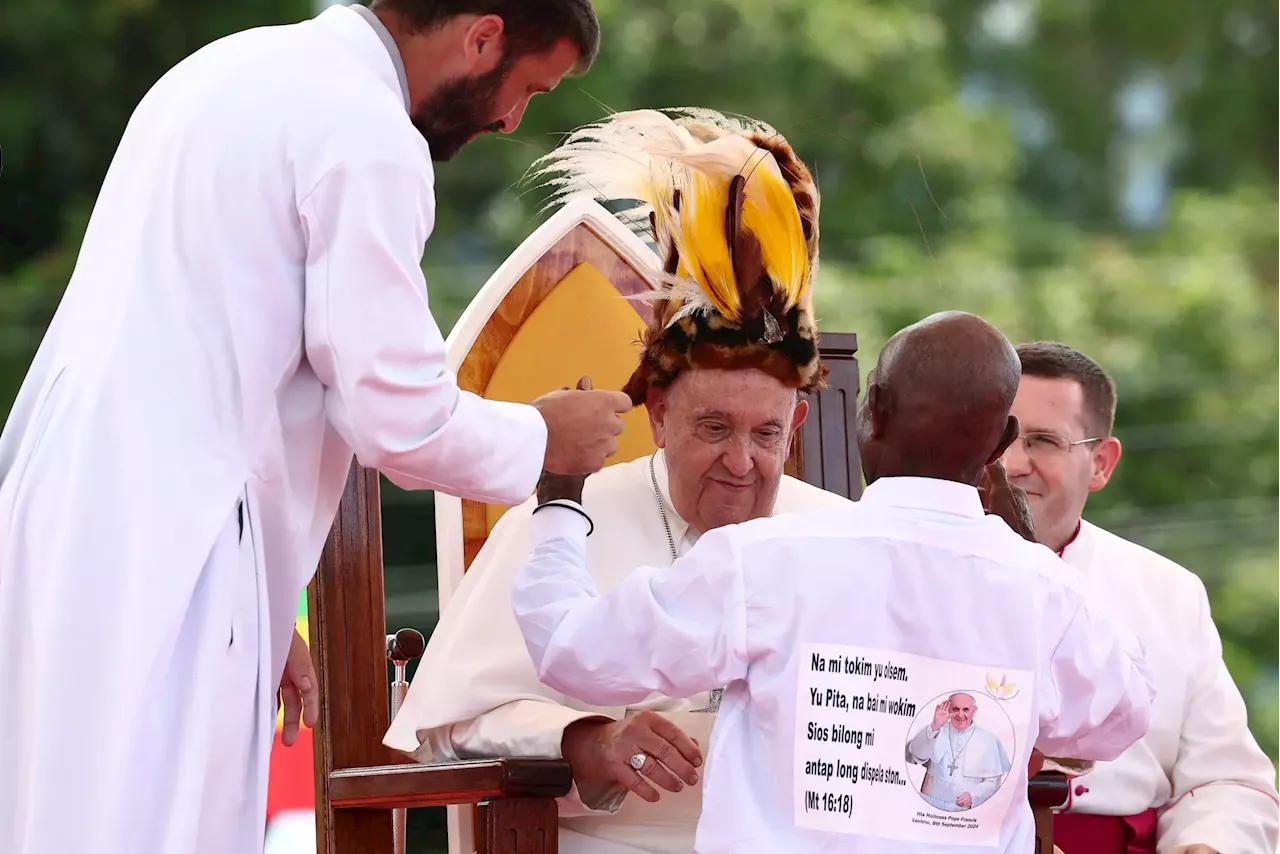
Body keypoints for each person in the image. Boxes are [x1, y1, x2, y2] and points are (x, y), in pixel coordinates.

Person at [0, 2, 633, 853]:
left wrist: (261, 599)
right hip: (176, 537)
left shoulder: (221, 70)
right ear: (481, 36)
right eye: (525, 89)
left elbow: (244, 354)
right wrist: (544, 439)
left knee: (55, 810)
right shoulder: (367, 133)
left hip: (67, 510)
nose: (511, 121)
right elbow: (396, 416)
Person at [383, 107, 854, 854]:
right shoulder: (564, 519)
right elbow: (454, 726)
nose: (741, 460)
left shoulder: (846, 538)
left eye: (766, 434)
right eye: (713, 429)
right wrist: (587, 743)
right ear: (660, 414)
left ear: (795, 428)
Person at [510, 310, 1156, 853]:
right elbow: (1117, 722)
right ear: (1002, 443)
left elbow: (574, 652)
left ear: (868, 413)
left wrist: (563, 494)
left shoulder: (761, 561)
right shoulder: (1047, 592)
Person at [1006, 342, 1280, 854]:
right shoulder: (916, 572)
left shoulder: (1169, 592)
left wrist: (1204, 846)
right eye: (1000, 436)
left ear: (1101, 463)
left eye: (1043, 441)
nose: (1012, 463)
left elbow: (1227, 780)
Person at [906, 693, 1012, 812]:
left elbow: (993, 782)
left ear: (974, 711)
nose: (960, 715)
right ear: (949, 709)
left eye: (965, 709)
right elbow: (915, 755)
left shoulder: (988, 740)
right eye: (955, 709)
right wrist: (935, 726)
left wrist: (973, 795)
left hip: (963, 811)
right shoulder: (935, 730)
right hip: (929, 805)